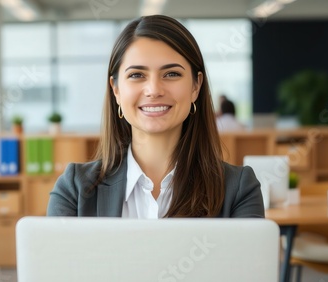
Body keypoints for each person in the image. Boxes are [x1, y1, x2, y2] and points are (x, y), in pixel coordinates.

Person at [47, 15, 264, 218]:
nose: (154, 90)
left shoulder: (238, 190)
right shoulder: (75, 189)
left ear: (195, 86)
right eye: (136, 75)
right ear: (116, 90)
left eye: (171, 74)